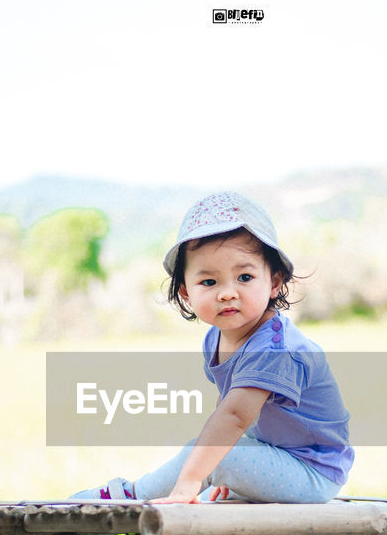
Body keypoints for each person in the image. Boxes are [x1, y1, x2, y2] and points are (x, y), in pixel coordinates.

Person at [71, 191, 353, 504]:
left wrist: (194, 479)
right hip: (279, 458)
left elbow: (234, 416)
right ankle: (164, 502)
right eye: (209, 282)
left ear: (274, 282)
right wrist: (217, 471)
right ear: (186, 292)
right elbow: (227, 408)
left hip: (313, 471)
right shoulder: (217, 338)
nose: (227, 293)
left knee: (212, 456)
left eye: (244, 277)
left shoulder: (275, 348)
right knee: (210, 462)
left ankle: (130, 497)